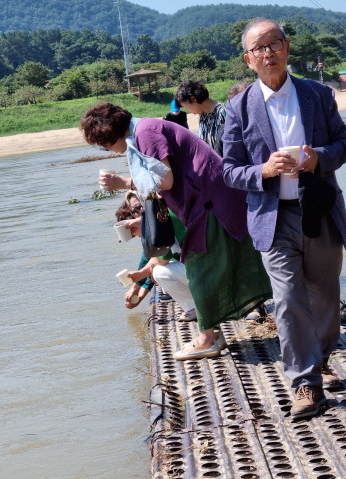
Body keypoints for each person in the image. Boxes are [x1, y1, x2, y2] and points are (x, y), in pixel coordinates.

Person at [222, 18, 346, 418]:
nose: (268, 53)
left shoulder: (318, 94)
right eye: (259, 49)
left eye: (274, 44)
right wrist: (263, 170)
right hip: (272, 217)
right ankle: (305, 383)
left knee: (325, 296)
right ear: (248, 59)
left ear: (287, 47)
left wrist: (319, 158)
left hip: (319, 210)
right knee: (287, 300)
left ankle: (322, 359)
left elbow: (344, 144)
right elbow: (229, 171)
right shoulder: (238, 108)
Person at [81, 102, 271, 360]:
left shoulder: (145, 133)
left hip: (210, 201)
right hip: (205, 200)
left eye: (105, 145)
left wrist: (123, 183)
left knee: (199, 268)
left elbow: (165, 180)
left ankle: (207, 339)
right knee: (202, 267)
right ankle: (213, 334)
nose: (108, 150)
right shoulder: (143, 131)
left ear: (110, 133)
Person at [115, 191, 153, 309]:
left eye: (139, 208)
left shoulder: (156, 232)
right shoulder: (149, 234)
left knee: (158, 271)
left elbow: (152, 264)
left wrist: (135, 288)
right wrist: (139, 297)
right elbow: (149, 262)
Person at [175, 81, 226, 156]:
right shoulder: (202, 116)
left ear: (193, 99)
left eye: (186, 107)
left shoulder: (224, 113)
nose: (188, 111)